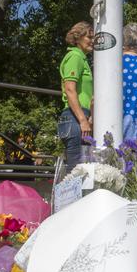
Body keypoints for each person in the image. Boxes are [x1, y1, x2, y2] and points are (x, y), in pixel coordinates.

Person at [58, 21, 94, 169]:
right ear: (78, 38)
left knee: (83, 170)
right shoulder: (75, 56)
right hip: (75, 118)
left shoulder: (83, 59)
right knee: (76, 170)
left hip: (80, 117)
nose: (93, 41)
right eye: (89, 37)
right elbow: (70, 89)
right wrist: (82, 120)